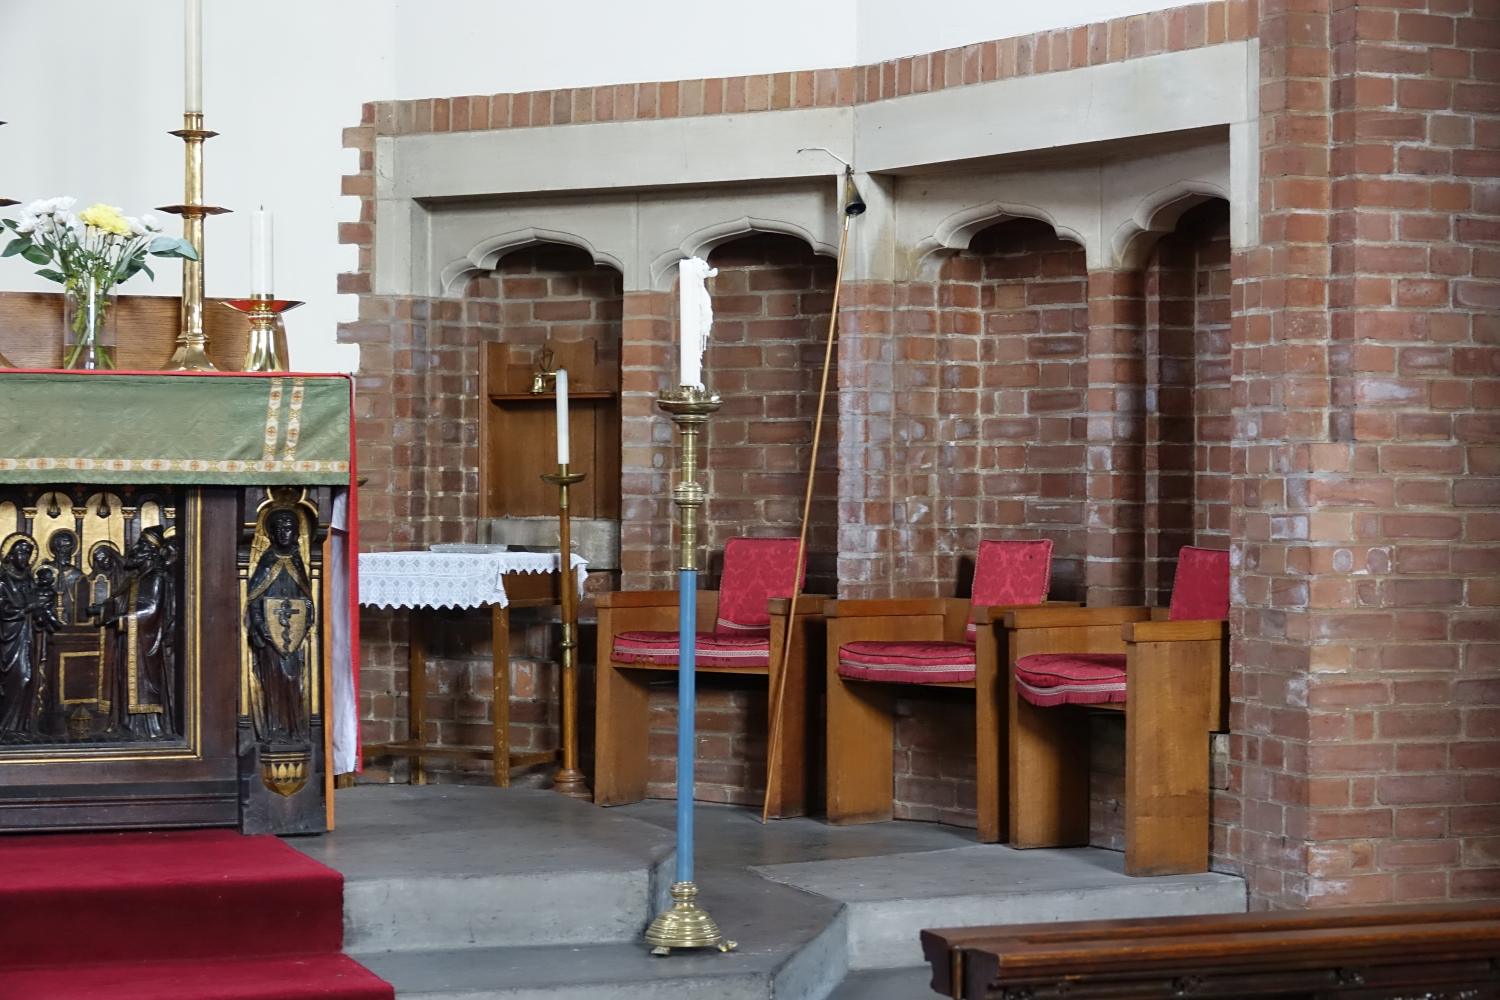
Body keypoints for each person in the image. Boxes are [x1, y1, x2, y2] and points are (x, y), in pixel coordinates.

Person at [91, 528, 176, 740]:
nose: (134, 550)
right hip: (127, 639)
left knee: (143, 682)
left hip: (145, 641)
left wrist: (122, 619)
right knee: (124, 679)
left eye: (140, 546)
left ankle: (148, 728)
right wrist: (102, 610)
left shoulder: (156, 577)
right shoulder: (134, 579)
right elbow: (118, 602)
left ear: (151, 552)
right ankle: (126, 724)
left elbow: (152, 609)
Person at [245, 508, 315, 743]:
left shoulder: (297, 561)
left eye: (289, 528)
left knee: (293, 680)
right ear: (272, 534)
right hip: (270, 637)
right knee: (273, 681)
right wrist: (259, 624)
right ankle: (275, 730)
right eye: (280, 529)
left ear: (296, 533)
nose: (285, 533)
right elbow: (254, 598)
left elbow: (306, 598)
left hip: (292, 638)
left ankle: (295, 729)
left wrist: (306, 618)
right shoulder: (267, 561)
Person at [0, 535, 61, 738]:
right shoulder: (3, 580)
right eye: (21, 553)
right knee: (19, 678)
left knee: (29, 678)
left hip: (27, 636)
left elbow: (36, 604)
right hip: (8, 637)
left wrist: (41, 614)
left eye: (28, 553)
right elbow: (3, 608)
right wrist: (27, 608)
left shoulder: (28, 579)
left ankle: (20, 727)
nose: (25, 557)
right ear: (10, 556)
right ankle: (6, 727)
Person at [40, 530, 88, 625]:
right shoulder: (45, 572)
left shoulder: (77, 575)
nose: (67, 551)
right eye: (64, 547)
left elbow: (83, 604)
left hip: (72, 623)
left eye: (70, 547)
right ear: (56, 549)